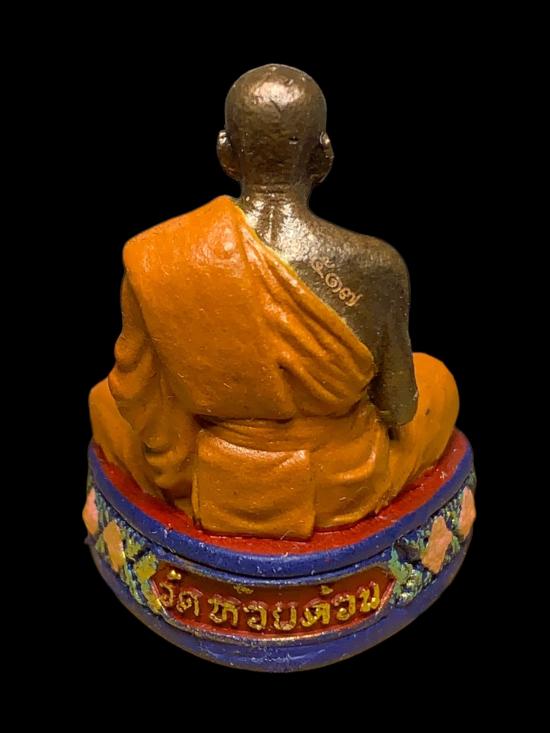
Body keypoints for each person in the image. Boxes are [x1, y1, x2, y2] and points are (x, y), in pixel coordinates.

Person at [89, 64, 459, 540]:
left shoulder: (159, 256)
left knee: (102, 401)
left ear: (225, 152)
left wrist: (184, 467)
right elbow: (399, 409)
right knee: (438, 381)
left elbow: (137, 392)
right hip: (341, 484)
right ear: (324, 155)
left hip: (213, 477)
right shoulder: (378, 266)